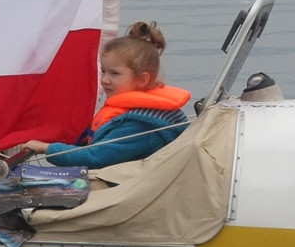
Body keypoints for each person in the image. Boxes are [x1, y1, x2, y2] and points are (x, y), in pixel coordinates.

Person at [24, 21, 190, 168]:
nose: (105, 80)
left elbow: (95, 157)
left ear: (142, 79)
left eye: (114, 74)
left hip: (124, 190)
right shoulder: (133, 113)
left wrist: (46, 148)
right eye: (103, 71)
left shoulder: (141, 125)